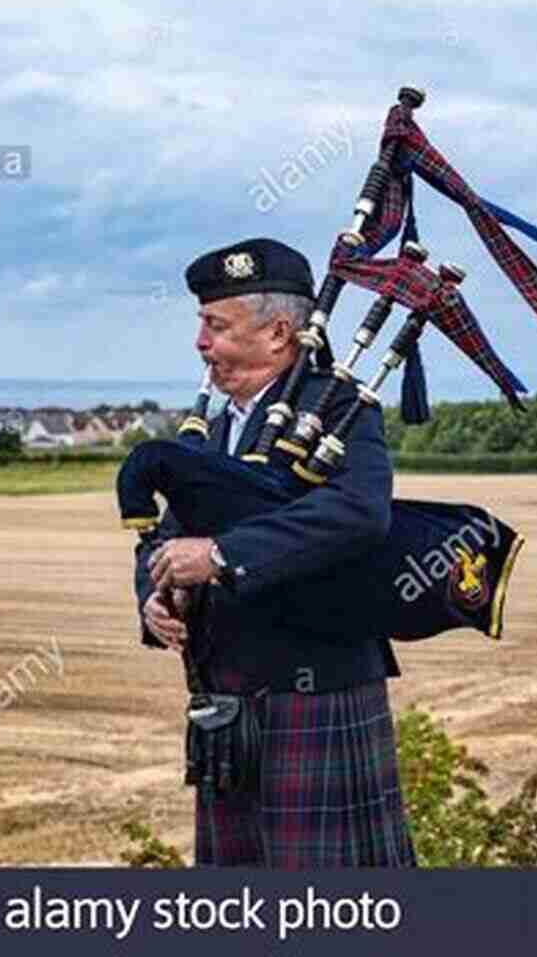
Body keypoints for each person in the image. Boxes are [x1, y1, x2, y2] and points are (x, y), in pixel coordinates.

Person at [133, 237, 417, 868]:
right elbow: (164, 533)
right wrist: (153, 597)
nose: (201, 343)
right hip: (224, 705)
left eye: (216, 325)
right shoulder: (209, 426)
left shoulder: (340, 408)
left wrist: (222, 555)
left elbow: (355, 513)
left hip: (315, 696)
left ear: (279, 332)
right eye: (202, 325)